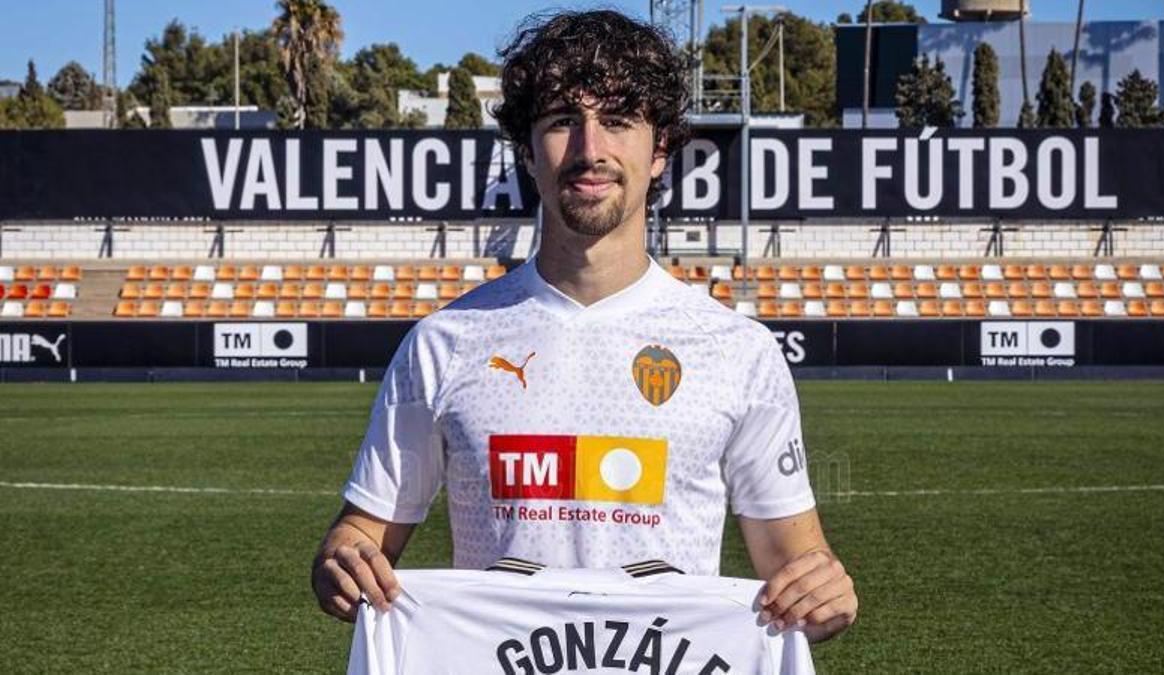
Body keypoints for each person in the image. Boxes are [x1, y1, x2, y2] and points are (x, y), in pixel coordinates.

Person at [312, 9, 857, 644]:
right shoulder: (443, 344)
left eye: (618, 122)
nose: (590, 148)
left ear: (659, 152)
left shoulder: (738, 352)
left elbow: (798, 570)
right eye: (563, 120)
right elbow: (358, 539)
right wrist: (341, 565)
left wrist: (823, 595)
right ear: (526, 149)